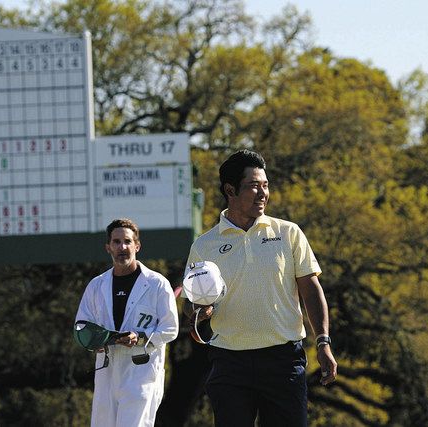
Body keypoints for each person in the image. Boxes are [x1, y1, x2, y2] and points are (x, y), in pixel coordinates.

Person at [185, 150, 337, 427]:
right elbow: (191, 305)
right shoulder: (203, 246)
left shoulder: (288, 232)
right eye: (254, 185)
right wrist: (199, 311)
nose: (263, 193)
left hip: (283, 362)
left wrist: (323, 341)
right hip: (230, 364)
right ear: (230, 190)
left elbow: (310, 288)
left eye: (265, 185)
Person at [75, 218, 179, 427]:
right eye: (116, 242)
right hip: (107, 372)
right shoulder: (96, 286)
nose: (122, 247)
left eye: (127, 241)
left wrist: (140, 337)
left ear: (137, 246)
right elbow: (81, 326)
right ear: (108, 247)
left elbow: (170, 329)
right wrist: (95, 341)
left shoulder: (157, 284)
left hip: (141, 373)